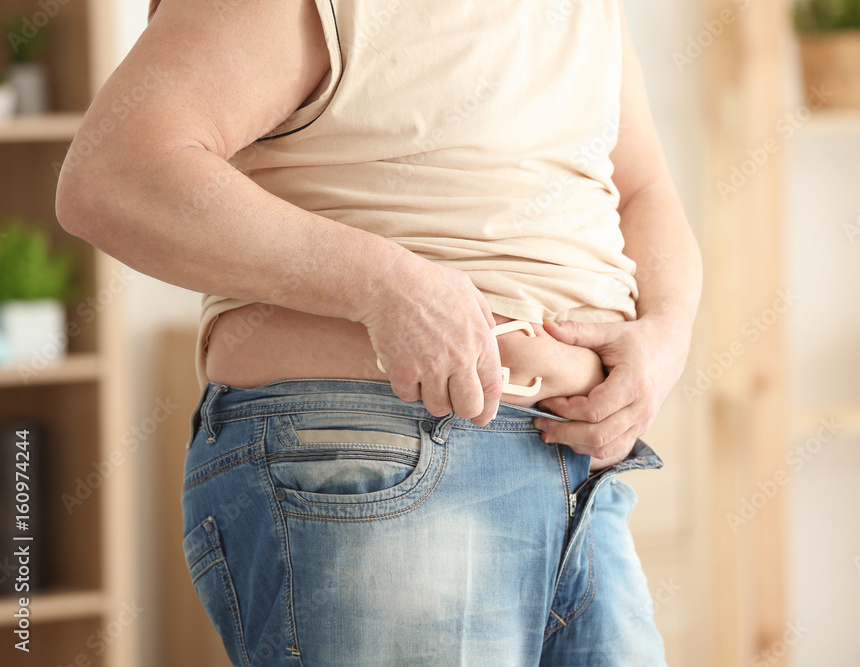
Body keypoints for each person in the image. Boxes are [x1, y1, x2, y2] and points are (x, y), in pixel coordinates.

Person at [56, 0, 702, 664]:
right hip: (379, 447)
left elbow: (643, 188)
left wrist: (665, 338)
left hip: (585, 480)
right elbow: (115, 174)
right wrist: (386, 286)